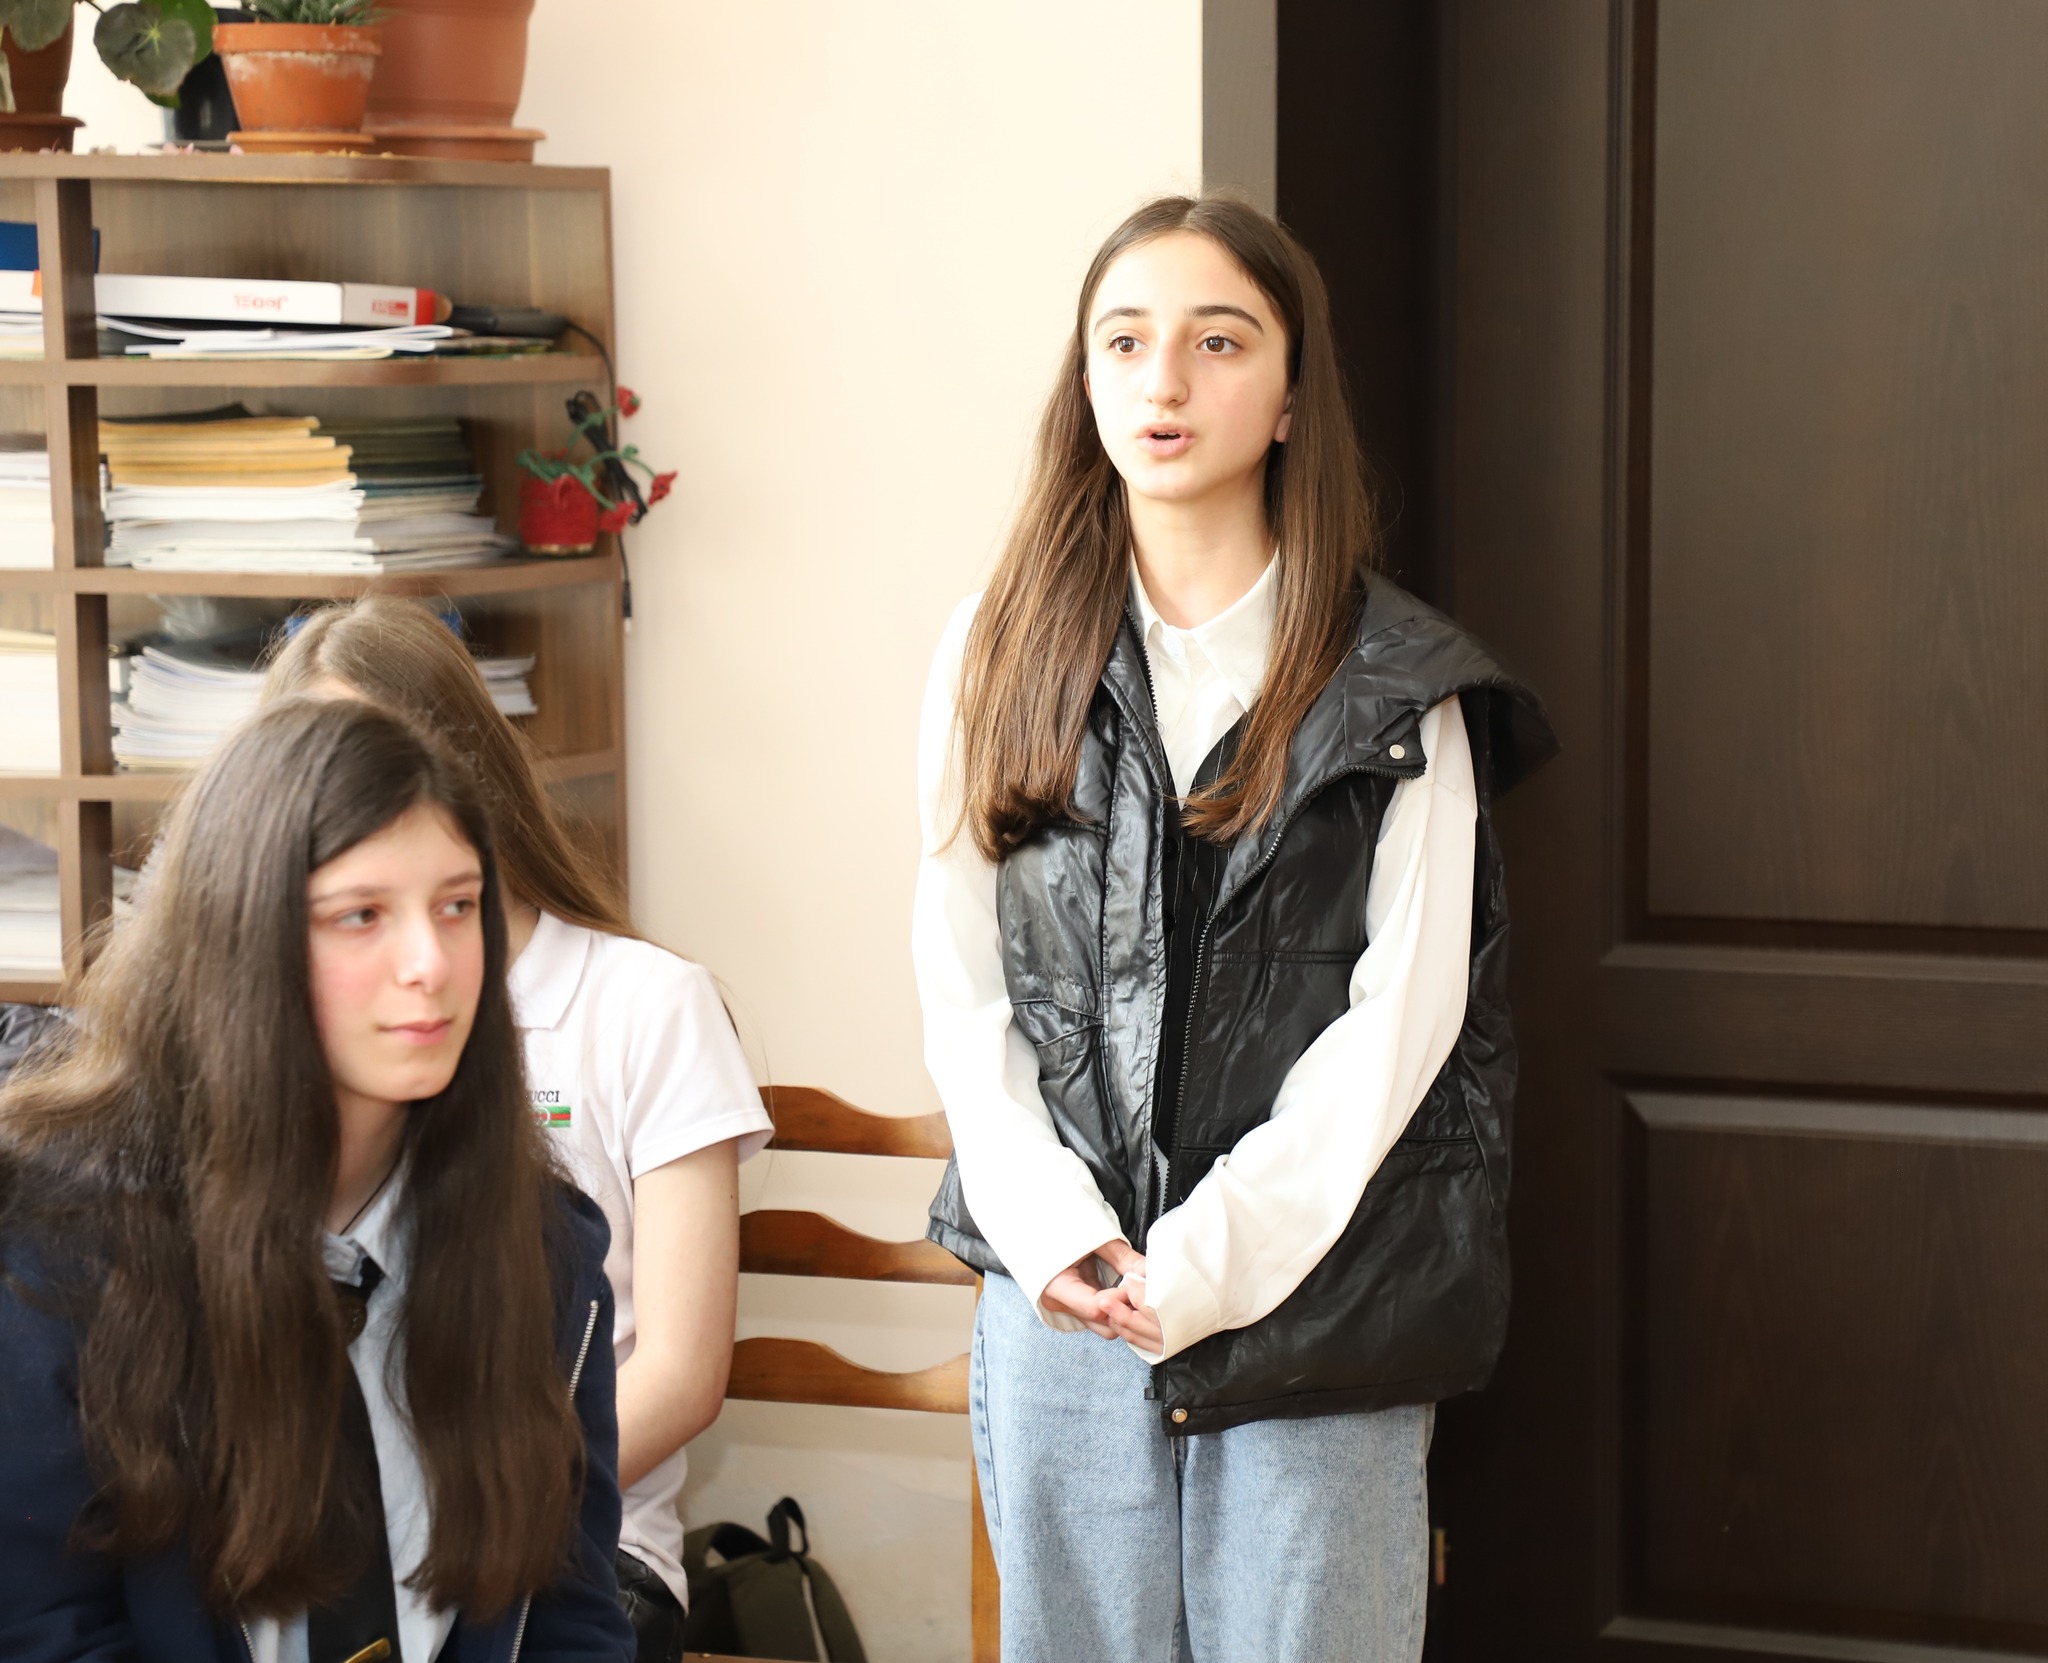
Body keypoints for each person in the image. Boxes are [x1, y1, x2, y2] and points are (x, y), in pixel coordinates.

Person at [914, 195, 1556, 1661]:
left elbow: (1405, 1022)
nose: (1164, 380)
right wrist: (1055, 1230)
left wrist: (1211, 1259)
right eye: (1124, 342)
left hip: (1324, 1299)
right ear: (1085, 384)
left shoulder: (1402, 683)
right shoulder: (992, 650)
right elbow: (958, 972)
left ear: (1288, 395)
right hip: (1064, 1290)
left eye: (1217, 342)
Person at [0, 697, 636, 1662]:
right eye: (361, 915)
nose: (430, 963)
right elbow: (43, 1629)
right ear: (237, 938)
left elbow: (571, 1618)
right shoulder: (56, 1250)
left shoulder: (543, 1246)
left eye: (457, 905)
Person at [266, 598, 772, 1663]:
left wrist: (465, 1515)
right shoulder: (280, 1019)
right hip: (322, 1542)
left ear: (468, 773)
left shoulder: (645, 1003)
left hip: (576, 1538)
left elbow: (681, 1371)